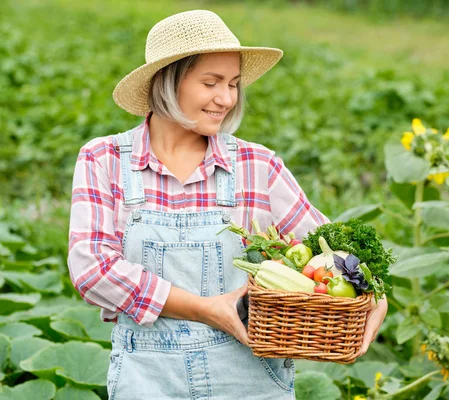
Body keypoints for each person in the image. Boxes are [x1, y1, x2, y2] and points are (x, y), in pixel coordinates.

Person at [67, 10, 387, 399]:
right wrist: (206, 308)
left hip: (250, 379)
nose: (226, 98)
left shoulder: (257, 165)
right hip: (147, 381)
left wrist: (373, 290)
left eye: (233, 84)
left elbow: (330, 251)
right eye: (211, 82)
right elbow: (92, 270)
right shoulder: (105, 159)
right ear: (168, 82)